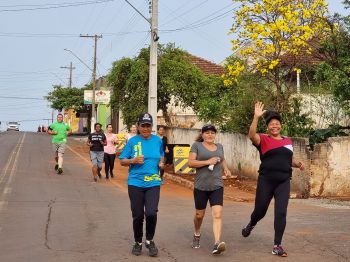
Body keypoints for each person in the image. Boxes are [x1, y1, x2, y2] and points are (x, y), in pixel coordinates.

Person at [241, 101, 305, 257]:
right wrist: (256, 117)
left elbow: (289, 159)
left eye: (277, 123)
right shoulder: (263, 139)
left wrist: (298, 163)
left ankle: (277, 245)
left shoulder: (288, 141)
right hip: (266, 180)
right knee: (260, 210)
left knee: (281, 212)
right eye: (271, 124)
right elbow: (251, 135)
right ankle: (252, 223)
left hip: (283, 181)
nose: (274, 126)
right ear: (268, 127)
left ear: (281, 126)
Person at [119, 113, 164, 257]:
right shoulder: (132, 141)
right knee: (138, 215)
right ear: (138, 126)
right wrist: (133, 160)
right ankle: (138, 242)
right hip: (135, 183)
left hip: (153, 182)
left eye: (148, 126)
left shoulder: (157, 140)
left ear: (152, 127)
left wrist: (161, 162)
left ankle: (150, 241)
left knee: (151, 213)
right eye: (143, 126)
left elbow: (161, 154)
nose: (146, 128)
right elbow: (122, 160)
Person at [188, 124, 231, 255]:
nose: (210, 135)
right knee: (199, 215)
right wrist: (208, 162)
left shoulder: (220, 147)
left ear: (215, 134)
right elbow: (190, 163)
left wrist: (226, 168)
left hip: (217, 185)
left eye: (212, 132)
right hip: (201, 186)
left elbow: (222, 159)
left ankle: (217, 243)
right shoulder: (196, 145)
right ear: (202, 134)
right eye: (207, 133)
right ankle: (197, 233)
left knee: (217, 214)